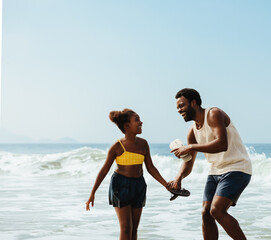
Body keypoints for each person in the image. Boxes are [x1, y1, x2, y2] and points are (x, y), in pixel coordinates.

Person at [169, 88, 252, 240]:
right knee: (206, 212)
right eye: (177, 108)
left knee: (217, 210)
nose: (179, 110)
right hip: (215, 171)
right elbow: (189, 162)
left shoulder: (213, 114)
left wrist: (190, 147)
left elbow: (222, 144)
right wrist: (179, 177)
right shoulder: (192, 131)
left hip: (237, 167)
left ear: (194, 103)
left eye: (182, 106)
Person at [86, 109, 168, 240]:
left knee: (134, 229)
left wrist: (166, 185)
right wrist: (92, 193)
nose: (141, 122)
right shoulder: (117, 146)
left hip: (139, 185)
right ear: (127, 125)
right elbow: (104, 170)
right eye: (137, 120)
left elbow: (151, 168)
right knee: (126, 228)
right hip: (121, 185)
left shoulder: (143, 143)